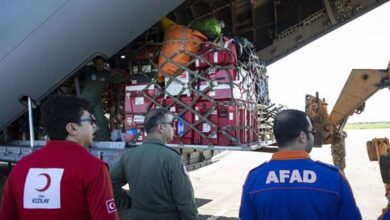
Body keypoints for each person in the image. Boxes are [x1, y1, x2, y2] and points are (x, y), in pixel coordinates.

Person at [0, 95, 118, 220]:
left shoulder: (21, 167)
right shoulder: (94, 168)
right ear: (72, 128)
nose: (94, 126)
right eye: (90, 120)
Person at [239, 109, 362, 220]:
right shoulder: (334, 178)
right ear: (302, 136)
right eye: (312, 131)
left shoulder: (254, 179)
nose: (313, 136)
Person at [110, 108, 198, 220]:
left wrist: (127, 202)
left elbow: (109, 182)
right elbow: (186, 203)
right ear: (161, 127)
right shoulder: (172, 158)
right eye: (172, 124)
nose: (174, 128)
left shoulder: (129, 155)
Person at [80, 55, 127, 140]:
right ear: (94, 64)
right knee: (81, 120)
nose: (99, 66)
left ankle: (107, 139)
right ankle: (79, 140)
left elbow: (118, 79)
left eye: (101, 63)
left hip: (96, 102)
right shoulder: (89, 70)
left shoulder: (106, 74)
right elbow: (78, 67)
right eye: (97, 64)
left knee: (101, 121)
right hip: (84, 101)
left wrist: (125, 77)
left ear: (104, 63)